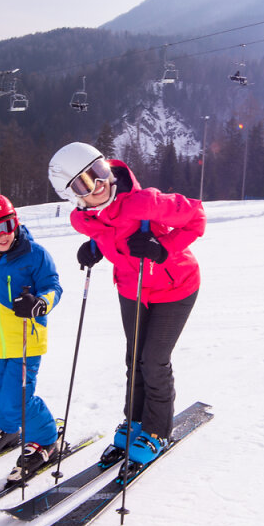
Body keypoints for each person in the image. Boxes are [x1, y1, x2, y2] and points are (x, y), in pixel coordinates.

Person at [48, 142, 205, 466]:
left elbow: (196, 215)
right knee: (134, 358)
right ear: (72, 196)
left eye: (99, 171)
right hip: (131, 289)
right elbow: (105, 231)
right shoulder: (84, 221)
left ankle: (156, 430)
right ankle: (134, 421)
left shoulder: (144, 202)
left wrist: (162, 247)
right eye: (85, 182)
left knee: (154, 360)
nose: (99, 183)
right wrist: (93, 248)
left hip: (176, 286)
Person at [0, 193, 63, 474]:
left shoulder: (34, 253)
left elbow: (53, 286)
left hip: (26, 340)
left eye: (9, 224)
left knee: (18, 397)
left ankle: (46, 439)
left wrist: (40, 303)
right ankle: (5, 427)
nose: (4, 234)